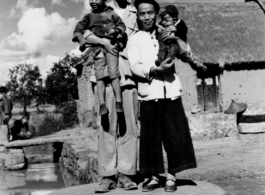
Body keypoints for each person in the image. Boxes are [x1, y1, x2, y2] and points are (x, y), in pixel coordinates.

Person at [127, 0, 202, 192]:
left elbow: (186, 53)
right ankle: (153, 177)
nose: (146, 17)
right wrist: (154, 69)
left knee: (174, 136)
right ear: (137, 15)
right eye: (142, 13)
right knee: (150, 138)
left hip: (170, 91)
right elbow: (134, 66)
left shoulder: (167, 32)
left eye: (150, 13)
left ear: (156, 14)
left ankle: (171, 176)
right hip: (148, 94)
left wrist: (175, 39)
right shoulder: (134, 39)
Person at [73, 0, 139, 193]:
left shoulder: (136, 13)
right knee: (106, 127)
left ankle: (127, 173)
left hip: (128, 75)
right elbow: (84, 33)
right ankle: (108, 175)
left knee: (129, 128)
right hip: (102, 75)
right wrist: (101, 41)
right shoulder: (95, 13)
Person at [73, 0, 126, 116]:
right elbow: (77, 30)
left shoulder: (111, 13)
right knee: (99, 75)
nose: (92, 1)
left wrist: (116, 31)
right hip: (97, 49)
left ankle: (119, 102)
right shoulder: (89, 16)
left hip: (111, 46)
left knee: (113, 72)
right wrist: (81, 39)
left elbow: (121, 25)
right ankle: (102, 105)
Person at [155, 4, 206, 72]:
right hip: (167, 43)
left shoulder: (180, 23)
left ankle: (197, 63)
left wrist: (175, 29)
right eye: (162, 20)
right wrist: (159, 29)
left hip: (180, 44)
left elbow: (184, 30)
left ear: (175, 18)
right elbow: (158, 29)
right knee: (163, 49)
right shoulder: (163, 23)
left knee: (186, 54)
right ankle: (161, 60)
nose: (163, 22)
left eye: (166, 20)